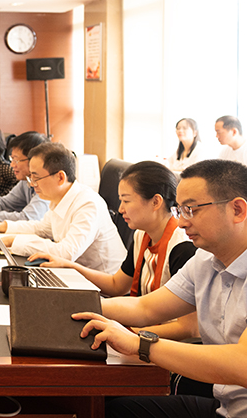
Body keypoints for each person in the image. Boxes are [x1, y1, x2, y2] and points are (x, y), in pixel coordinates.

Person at [74, 159, 247, 418]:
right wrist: (67, 306)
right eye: (180, 210)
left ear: (237, 210)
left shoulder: (187, 249)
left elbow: (241, 363)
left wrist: (139, 344)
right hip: (226, 406)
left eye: (191, 210)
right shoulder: (204, 260)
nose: (181, 222)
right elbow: (146, 307)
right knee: (110, 410)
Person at [30, 161, 197, 299]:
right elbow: (117, 285)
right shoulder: (141, 235)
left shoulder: (182, 246)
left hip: (156, 327)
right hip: (141, 320)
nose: (121, 209)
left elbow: (186, 325)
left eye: (126, 201)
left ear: (155, 202)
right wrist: (69, 266)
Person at [0, 142, 126, 274]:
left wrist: (13, 240)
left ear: (60, 177)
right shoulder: (58, 199)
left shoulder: (88, 204)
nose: (32, 184)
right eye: (31, 177)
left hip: (102, 287)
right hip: (73, 275)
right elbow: (41, 229)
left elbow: (66, 253)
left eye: (36, 177)